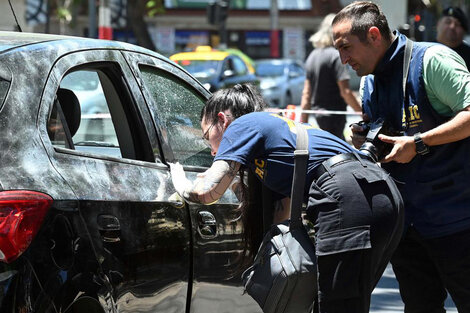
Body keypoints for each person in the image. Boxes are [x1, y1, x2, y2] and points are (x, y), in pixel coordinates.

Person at [170, 83, 404, 313]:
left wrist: (179, 181)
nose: (211, 150)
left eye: (206, 135)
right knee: (345, 303)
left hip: (346, 192)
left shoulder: (241, 125)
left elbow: (207, 192)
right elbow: (281, 222)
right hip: (381, 192)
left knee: (336, 305)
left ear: (222, 120)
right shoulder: (275, 133)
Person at [332, 2, 470, 312]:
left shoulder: (432, 61)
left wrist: (419, 142)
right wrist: (364, 135)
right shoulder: (368, 81)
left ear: (373, 35)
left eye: (345, 47)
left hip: (458, 221)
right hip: (405, 225)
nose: (343, 59)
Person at [300, 13, 361, 140]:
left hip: (318, 116)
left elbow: (306, 94)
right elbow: (345, 92)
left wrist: (301, 127)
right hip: (335, 117)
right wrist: (362, 113)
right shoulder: (336, 56)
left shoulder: (312, 56)